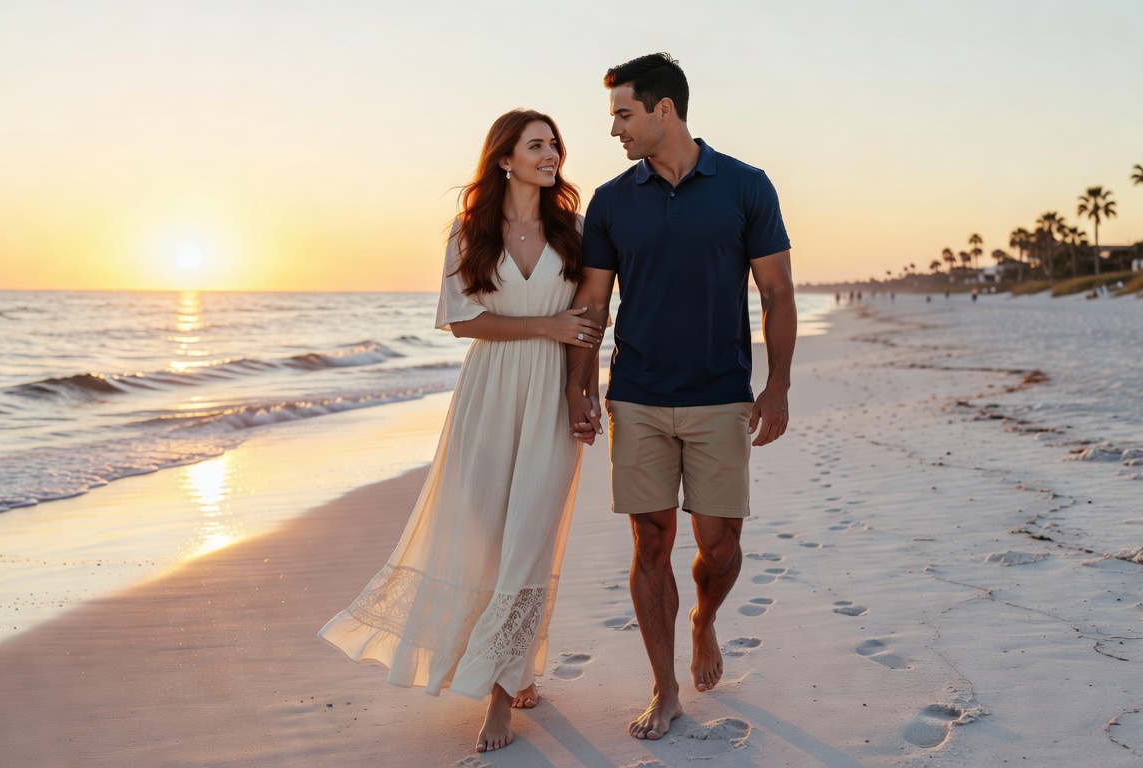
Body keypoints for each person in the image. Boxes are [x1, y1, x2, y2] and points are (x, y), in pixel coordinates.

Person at [320, 109, 602, 753]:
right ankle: (514, 665)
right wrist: (544, 328)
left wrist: (583, 393)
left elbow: (590, 319)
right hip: (488, 394)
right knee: (486, 536)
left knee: (529, 536)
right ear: (505, 158)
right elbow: (462, 322)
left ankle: (501, 700)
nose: (552, 152)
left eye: (555, 143)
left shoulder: (575, 230)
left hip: (552, 396)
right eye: (537, 144)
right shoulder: (470, 230)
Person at [565, 53, 796, 741]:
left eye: (623, 114)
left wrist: (777, 385)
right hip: (635, 393)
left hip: (722, 395)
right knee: (650, 543)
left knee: (720, 546)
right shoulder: (611, 202)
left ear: (664, 109)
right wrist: (581, 386)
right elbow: (592, 303)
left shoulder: (746, 187)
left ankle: (703, 619)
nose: (614, 130)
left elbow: (777, 292)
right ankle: (664, 689)